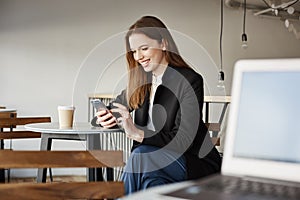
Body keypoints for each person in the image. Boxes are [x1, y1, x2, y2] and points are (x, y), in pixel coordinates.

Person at [94, 15, 222, 195]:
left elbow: (183, 140)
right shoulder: (139, 83)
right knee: (151, 183)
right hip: (151, 164)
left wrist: (138, 134)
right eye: (134, 51)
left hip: (192, 162)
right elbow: (110, 110)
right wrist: (104, 117)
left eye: (144, 48)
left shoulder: (190, 80)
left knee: (140, 155)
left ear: (163, 44)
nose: (138, 57)